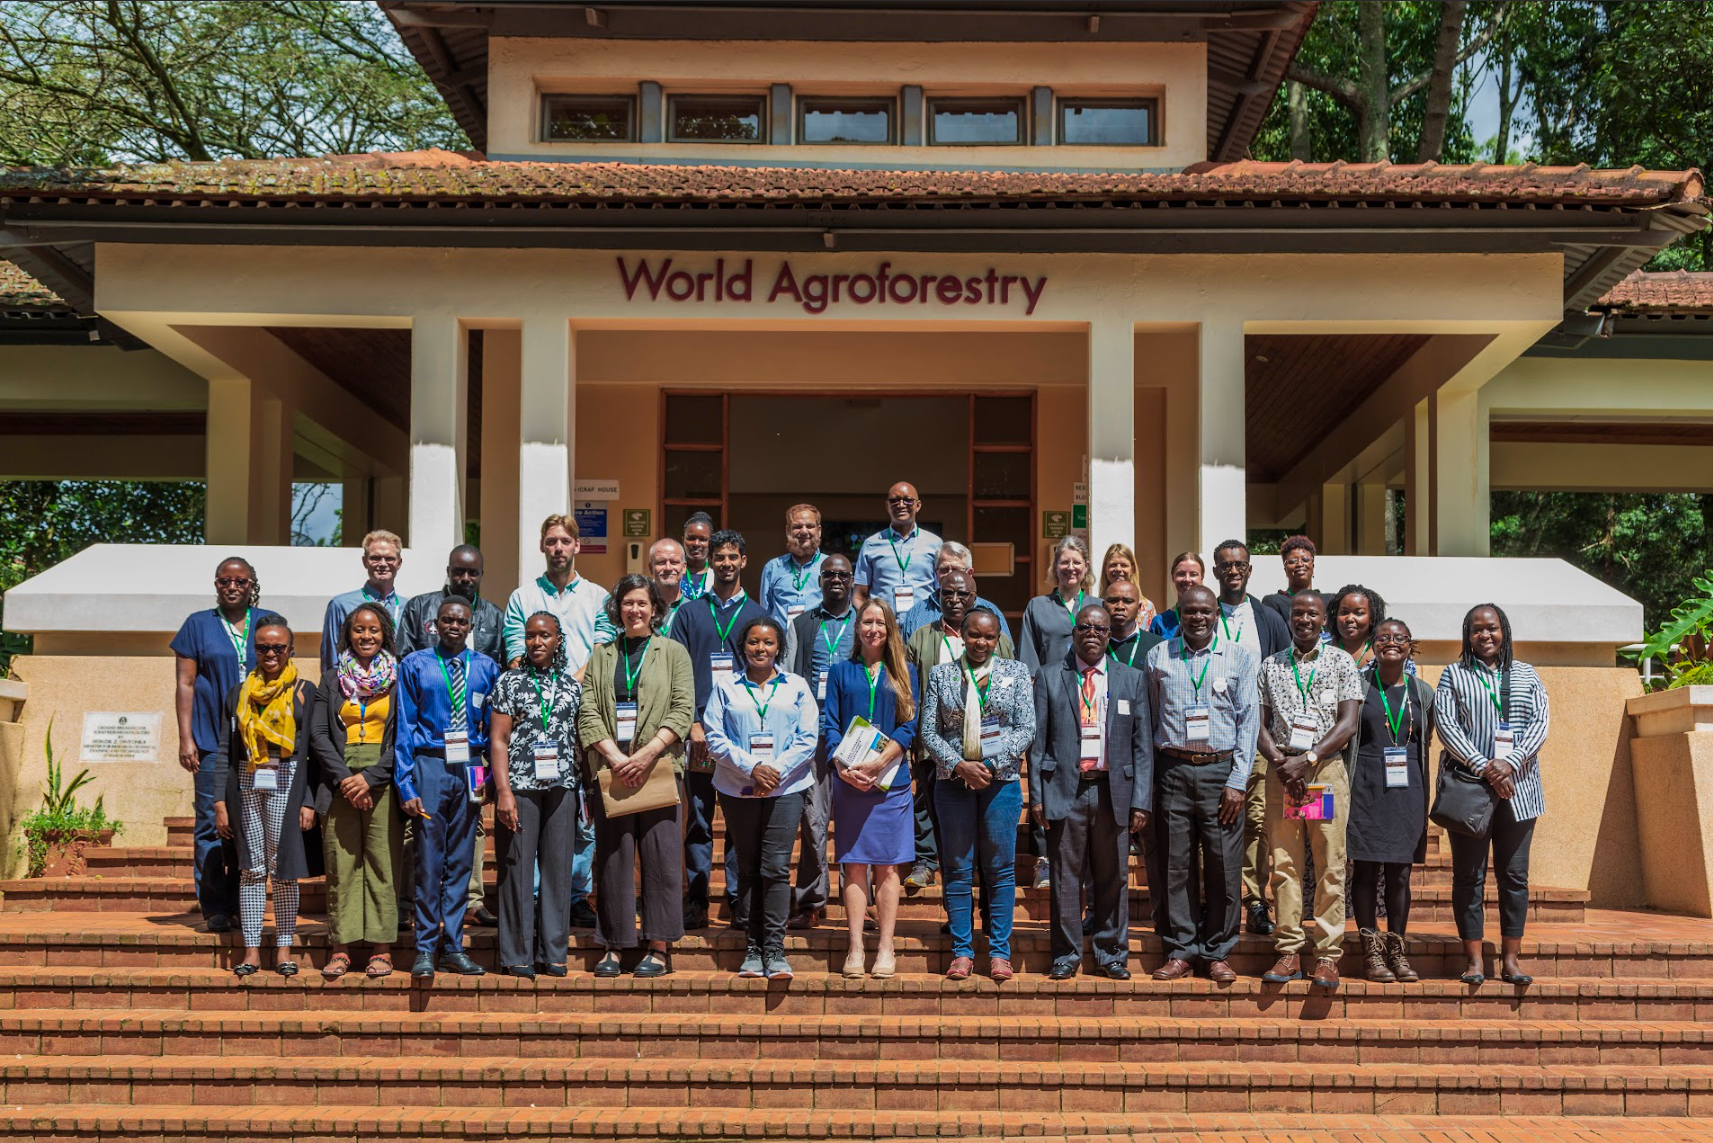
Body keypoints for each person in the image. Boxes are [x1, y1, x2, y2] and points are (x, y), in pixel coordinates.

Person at [1029, 603, 1153, 979]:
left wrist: (1141, 801)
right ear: (1074, 631)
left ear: (1108, 634)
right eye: (1086, 628)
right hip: (1064, 789)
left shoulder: (1130, 679)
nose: (1093, 634)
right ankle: (1066, 955)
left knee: (1113, 876)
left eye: (1101, 629)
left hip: (1114, 791)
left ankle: (1110, 953)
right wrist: (1036, 796)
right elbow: (1037, 746)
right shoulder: (1051, 677)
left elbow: (1142, 746)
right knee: (1065, 879)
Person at [503, 514, 615, 928]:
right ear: (541, 546)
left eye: (565, 540)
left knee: (582, 811)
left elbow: (602, 652)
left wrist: (566, 688)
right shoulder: (523, 596)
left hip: (581, 714)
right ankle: (534, 898)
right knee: (533, 806)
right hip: (533, 723)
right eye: (551, 541)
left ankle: (572, 894)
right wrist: (544, 693)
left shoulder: (598, 597)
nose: (558, 548)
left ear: (577, 546)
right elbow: (516, 652)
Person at [580, 575, 695, 978]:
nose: (635, 610)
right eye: (628, 603)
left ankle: (659, 945)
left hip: (660, 767)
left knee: (662, 859)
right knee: (613, 858)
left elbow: (683, 710)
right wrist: (614, 757)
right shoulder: (602, 656)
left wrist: (645, 755)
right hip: (613, 772)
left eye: (642, 604)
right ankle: (614, 943)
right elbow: (588, 711)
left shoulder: (674, 653)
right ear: (618, 608)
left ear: (655, 609)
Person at [1144, 584, 1258, 982]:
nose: (1198, 618)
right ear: (1179, 611)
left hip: (1220, 773)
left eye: (1206, 612)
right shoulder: (1159, 656)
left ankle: (1217, 952)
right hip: (1172, 770)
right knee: (1176, 864)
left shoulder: (1238, 658)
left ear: (1216, 615)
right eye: (1190, 611)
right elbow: (1152, 717)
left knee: (1224, 865)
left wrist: (1238, 781)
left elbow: (1248, 723)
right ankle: (1181, 949)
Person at [1436, 603, 1550, 987]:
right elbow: (1447, 727)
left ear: (1505, 631)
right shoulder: (1454, 675)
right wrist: (1486, 767)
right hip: (1471, 790)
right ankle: (1474, 960)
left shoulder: (1526, 674)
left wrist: (1511, 763)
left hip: (1520, 792)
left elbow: (1540, 723)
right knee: (1469, 876)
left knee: (1514, 876)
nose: (1485, 636)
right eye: (1477, 630)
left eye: (1492, 629)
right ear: (1467, 636)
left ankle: (1511, 959)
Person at [918, 609, 1035, 982]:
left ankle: (999, 952)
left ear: (998, 638)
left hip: (999, 782)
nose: (980, 643)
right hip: (952, 782)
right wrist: (960, 765)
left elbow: (1026, 726)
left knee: (999, 868)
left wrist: (990, 763)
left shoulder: (1015, 673)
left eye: (988, 637)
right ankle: (962, 952)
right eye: (973, 635)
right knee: (956, 868)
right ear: (961, 636)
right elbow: (928, 732)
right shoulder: (942, 674)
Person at [1256, 591, 1363, 991]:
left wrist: (1310, 758)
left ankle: (1328, 956)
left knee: (1329, 865)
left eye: (1311, 613)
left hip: (1324, 774)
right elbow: (1259, 724)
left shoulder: (1341, 662)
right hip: (1283, 774)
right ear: (1290, 619)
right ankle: (1288, 951)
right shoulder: (1271, 666)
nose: (1303, 619)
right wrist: (1284, 764)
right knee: (1283, 864)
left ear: (1324, 619)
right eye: (1297, 613)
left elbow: (1348, 722)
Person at [703, 615, 820, 980]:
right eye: (754, 642)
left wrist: (775, 771)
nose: (761, 649)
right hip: (738, 787)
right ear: (743, 646)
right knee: (749, 868)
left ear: (779, 648)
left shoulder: (796, 686)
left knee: (774, 867)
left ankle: (775, 947)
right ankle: (753, 949)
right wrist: (753, 767)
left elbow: (808, 738)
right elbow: (714, 736)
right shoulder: (726, 687)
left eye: (768, 643)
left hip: (785, 789)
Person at [395, 596, 500, 979]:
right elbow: (404, 727)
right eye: (446, 620)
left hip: (470, 766)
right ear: (434, 625)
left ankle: (454, 946)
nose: (454, 626)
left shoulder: (487, 668)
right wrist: (405, 784)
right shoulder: (415, 665)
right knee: (428, 860)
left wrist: (488, 775)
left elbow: (492, 728)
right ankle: (425, 948)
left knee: (460, 861)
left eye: (461, 621)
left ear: (470, 626)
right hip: (429, 763)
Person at [669, 528, 769, 930]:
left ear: (744, 561)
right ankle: (696, 900)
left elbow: (766, 676)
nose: (726, 563)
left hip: (740, 739)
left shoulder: (758, 617)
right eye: (719, 557)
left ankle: (737, 900)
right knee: (697, 820)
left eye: (733, 557)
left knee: (740, 821)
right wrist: (693, 722)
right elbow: (678, 672)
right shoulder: (690, 613)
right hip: (698, 736)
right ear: (709, 563)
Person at [211, 614, 316, 977]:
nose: (270, 653)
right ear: (253, 651)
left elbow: (313, 751)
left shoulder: (304, 690)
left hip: (288, 779)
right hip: (247, 780)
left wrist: (309, 801)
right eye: (262, 647)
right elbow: (225, 749)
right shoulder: (238, 693)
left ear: (290, 649)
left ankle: (285, 949)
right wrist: (219, 802)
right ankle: (252, 950)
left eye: (277, 647)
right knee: (251, 868)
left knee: (283, 870)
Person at [822, 598, 918, 978]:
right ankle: (856, 946)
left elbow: (910, 725)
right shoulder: (840, 672)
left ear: (889, 628)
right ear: (857, 628)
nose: (873, 628)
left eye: (880, 622)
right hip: (849, 783)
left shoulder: (905, 672)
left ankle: (886, 947)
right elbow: (830, 725)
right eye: (866, 622)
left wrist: (880, 761)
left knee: (890, 868)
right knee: (854, 865)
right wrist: (842, 767)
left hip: (891, 782)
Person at [903, 569, 1016, 890]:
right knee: (946, 835)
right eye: (947, 593)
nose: (953, 600)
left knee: (987, 837)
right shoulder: (921, 637)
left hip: (990, 752)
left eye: (962, 595)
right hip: (935, 751)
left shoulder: (999, 640)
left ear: (974, 597)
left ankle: (985, 913)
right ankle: (955, 912)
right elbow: (910, 692)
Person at [308, 602, 400, 980]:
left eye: (374, 630)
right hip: (339, 782)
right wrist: (347, 779)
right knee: (341, 866)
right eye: (359, 630)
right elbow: (317, 734)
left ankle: (381, 949)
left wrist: (372, 777)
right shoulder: (331, 680)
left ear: (384, 634)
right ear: (348, 634)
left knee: (383, 862)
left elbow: (405, 736)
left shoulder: (399, 677)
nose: (367, 636)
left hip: (383, 782)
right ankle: (341, 948)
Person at [489, 612, 582, 978]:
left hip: (561, 788)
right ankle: (516, 954)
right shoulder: (510, 682)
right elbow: (498, 739)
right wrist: (503, 792)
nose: (536, 642)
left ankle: (553, 953)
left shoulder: (572, 686)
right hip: (521, 788)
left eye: (544, 635)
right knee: (516, 870)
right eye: (530, 635)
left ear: (558, 639)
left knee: (558, 870)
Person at [1208, 539, 1291, 938]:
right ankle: (1211, 900)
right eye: (1226, 565)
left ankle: (1256, 901)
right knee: (1211, 820)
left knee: (1256, 821)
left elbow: (1286, 677)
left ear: (1250, 570)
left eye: (1240, 564)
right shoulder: (1201, 612)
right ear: (1215, 571)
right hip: (1207, 738)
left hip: (1256, 736)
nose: (1234, 571)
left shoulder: (1268, 618)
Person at [171, 556, 258, 933]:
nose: (232, 586)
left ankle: (245, 900)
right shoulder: (197, 624)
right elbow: (185, 684)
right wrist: (185, 737)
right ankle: (214, 906)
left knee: (249, 822)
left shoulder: (269, 622)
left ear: (253, 584)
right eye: (225, 581)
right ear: (217, 585)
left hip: (259, 744)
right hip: (210, 740)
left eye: (240, 580)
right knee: (210, 823)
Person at [1348, 617, 1434, 983]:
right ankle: (1371, 952)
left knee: (1400, 874)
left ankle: (1397, 950)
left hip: (1406, 788)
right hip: (1365, 787)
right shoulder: (1358, 685)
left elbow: (1426, 739)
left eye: (1399, 638)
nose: (1391, 643)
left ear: (1410, 644)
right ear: (1373, 644)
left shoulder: (1423, 691)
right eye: (1383, 638)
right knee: (1365, 871)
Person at [782, 553, 857, 929]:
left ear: (853, 578)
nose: (836, 580)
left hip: (856, 735)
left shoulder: (865, 622)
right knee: (813, 823)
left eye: (843, 574)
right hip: (813, 737)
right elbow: (791, 679)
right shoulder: (801, 623)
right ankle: (811, 900)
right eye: (829, 574)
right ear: (820, 579)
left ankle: (859, 903)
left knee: (855, 819)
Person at [398, 544, 505, 664]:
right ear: (448, 572)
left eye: (473, 573)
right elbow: (403, 658)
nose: (465, 578)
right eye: (459, 571)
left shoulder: (496, 616)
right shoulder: (419, 607)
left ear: (481, 575)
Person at [320, 531, 405, 672]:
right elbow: (331, 660)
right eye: (375, 558)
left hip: (396, 689)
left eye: (389, 558)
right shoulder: (341, 604)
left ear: (399, 563)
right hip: (352, 690)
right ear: (365, 561)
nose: (383, 564)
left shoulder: (409, 607)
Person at [899, 541, 1013, 644]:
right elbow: (906, 661)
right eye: (944, 570)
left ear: (970, 573)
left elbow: (1006, 654)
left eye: (956, 569)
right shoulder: (917, 613)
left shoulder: (991, 612)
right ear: (936, 573)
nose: (949, 575)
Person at [853, 481, 942, 615]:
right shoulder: (871, 544)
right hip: (884, 629)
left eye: (907, 500)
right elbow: (859, 596)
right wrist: (872, 621)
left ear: (918, 505)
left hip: (923, 627)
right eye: (894, 501)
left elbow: (941, 591)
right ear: (887, 506)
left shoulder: (935, 544)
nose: (901, 505)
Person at [1019, 535, 1095, 674]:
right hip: (1049, 688)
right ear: (1055, 566)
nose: (1071, 568)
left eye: (1077, 562)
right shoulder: (1037, 607)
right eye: (1065, 562)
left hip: (1089, 688)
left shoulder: (1098, 607)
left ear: (1086, 567)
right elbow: (1028, 659)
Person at [759, 504, 826, 625]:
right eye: (797, 526)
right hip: (782, 642)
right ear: (787, 531)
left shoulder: (830, 567)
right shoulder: (772, 568)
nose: (804, 531)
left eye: (810, 526)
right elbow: (765, 614)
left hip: (818, 641)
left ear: (819, 531)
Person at [1327, 584, 1412, 674]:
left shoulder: (1392, 653)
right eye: (1344, 612)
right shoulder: (1321, 650)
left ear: (1371, 618)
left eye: (1359, 613)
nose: (1350, 618)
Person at [1261, 536, 1324, 626]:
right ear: (1285, 570)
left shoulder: (1326, 601)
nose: (1300, 564)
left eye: (1305, 559)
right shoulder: (1274, 603)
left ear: (1313, 567)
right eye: (1293, 561)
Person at [1103, 580, 1164, 670]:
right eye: (1113, 600)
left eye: (1127, 601)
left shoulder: (1158, 645)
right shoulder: (1093, 644)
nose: (1120, 606)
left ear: (1139, 608)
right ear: (1103, 605)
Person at [1098, 543, 1157, 630]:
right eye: (1113, 565)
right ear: (1105, 568)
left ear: (1132, 569)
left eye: (1124, 565)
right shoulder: (1097, 604)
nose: (1118, 569)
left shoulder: (1147, 607)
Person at [1149, 552, 1206, 639]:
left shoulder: (1210, 619)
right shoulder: (1160, 622)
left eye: (1193, 574)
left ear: (1201, 578)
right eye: (1181, 574)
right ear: (1173, 577)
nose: (1187, 579)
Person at [650, 538, 688, 631]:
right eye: (661, 562)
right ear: (651, 568)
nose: (668, 568)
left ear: (684, 567)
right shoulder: (641, 610)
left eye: (674, 562)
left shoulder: (695, 610)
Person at [679, 512, 715, 602]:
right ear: (683, 540)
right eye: (691, 538)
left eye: (703, 539)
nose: (696, 544)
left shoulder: (718, 573)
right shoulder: (672, 570)